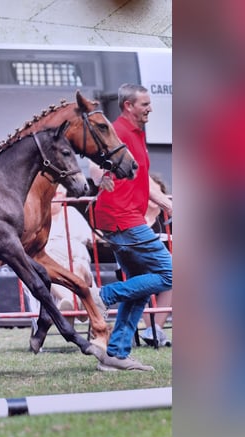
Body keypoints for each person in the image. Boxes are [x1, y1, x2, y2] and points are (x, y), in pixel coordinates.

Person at [88, 84, 173, 371]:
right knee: (170, 273)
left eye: (150, 104)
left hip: (125, 217)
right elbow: (94, 164)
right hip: (122, 218)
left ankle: (116, 355)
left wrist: (167, 203)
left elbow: (143, 181)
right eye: (144, 104)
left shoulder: (136, 133)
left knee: (140, 284)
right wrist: (101, 178)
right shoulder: (118, 130)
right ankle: (102, 296)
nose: (150, 108)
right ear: (128, 106)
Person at [44, 184, 93, 327]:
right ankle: (74, 303)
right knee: (47, 272)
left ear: (64, 196)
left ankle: (69, 305)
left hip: (77, 267)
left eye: (56, 194)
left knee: (77, 267)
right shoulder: (38, 216)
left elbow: (89, 239)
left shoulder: (71, 212)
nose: (52, 198)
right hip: (53, 269)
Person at [139, 173, 173, 347]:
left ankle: (155, 330)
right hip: (138, 267)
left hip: (167, 268)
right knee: (140, 276)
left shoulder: (169, 219)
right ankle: (153, 329)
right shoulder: (135, 219)